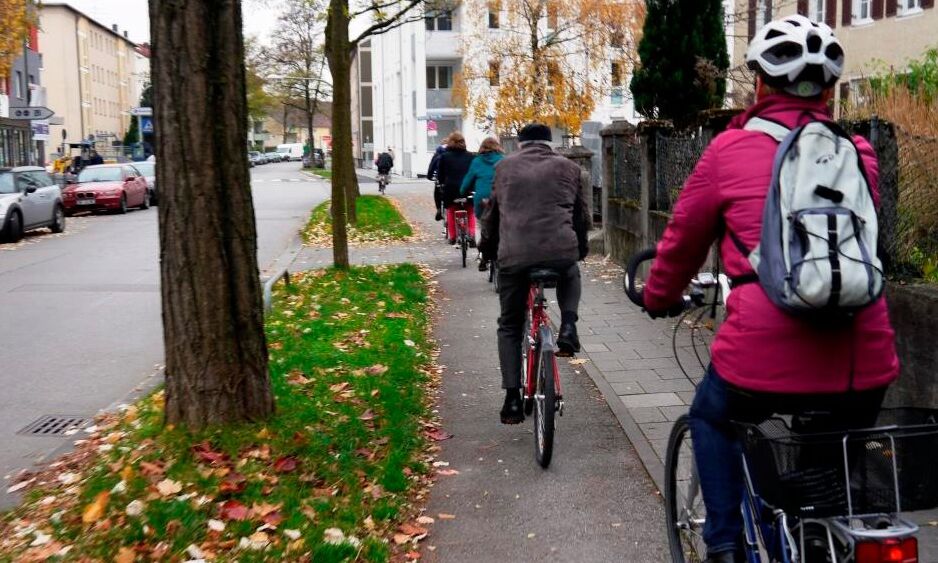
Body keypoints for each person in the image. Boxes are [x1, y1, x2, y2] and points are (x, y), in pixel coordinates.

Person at [638, 16, 898, 562]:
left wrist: (659, 297)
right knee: (829, 461)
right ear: (829, 91)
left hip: (761, 354)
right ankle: (819, 535)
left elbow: (682, 243)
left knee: (712, 416)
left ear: (759, 83)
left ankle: (725, 545)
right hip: (866, 355)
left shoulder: (728, 152)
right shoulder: (860, 154)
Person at [482, 123, 590, 424]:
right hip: (559, 251)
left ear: (520, 143)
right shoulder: (569, 168)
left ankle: (512, 399)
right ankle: (568, 326)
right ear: (549, 142)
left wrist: (488, 249)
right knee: (570, 270)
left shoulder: (504, 168)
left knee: (510, 325)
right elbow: (580, 215)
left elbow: (492, 215)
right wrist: (579, 249)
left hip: (514, 256)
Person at [461, 137, 504, 271]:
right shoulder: (503, 160)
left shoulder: (477, 161)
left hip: (482, 200)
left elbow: (467, 181)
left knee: (483, 226)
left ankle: (483, 255)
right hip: (500, 198)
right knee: (501, 226)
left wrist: (463, 191)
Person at [437, 132, 475, 245]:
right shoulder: (471, 156)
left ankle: (452, 236)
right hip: (467, 189)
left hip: (451, 190)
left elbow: (440, 175)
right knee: (470, 211)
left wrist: (442, 184)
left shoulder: (444, 157)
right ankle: (472, 234)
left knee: (451, 210)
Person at [427, 137, 449, 221]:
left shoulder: (437, 154)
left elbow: (431, 166)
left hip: (441, 178)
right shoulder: (453, 152)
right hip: (451, 178)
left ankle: (439, 209)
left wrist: (429, 176)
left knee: (437, 192)